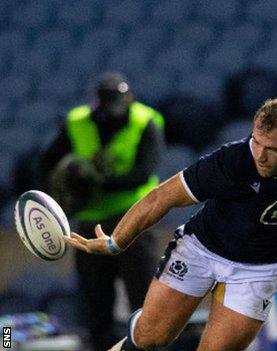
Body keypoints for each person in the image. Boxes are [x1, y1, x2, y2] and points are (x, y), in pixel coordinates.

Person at [64, 98, 277, 350]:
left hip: (259, 268)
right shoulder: (230, 161)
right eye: (256, 142)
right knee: (151, 338)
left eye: (272, 149)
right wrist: (115, 242)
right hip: (201, 249)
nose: (259, 155)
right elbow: (161, 197)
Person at [40, 71, 165, 349]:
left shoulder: (145, 121)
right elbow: (47, 163)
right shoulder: (76, 121)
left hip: (135, 222)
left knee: (145, 304)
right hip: (90, 223)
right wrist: (60, 193)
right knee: (96, 306)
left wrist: (95, 182)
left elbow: (143, 173)